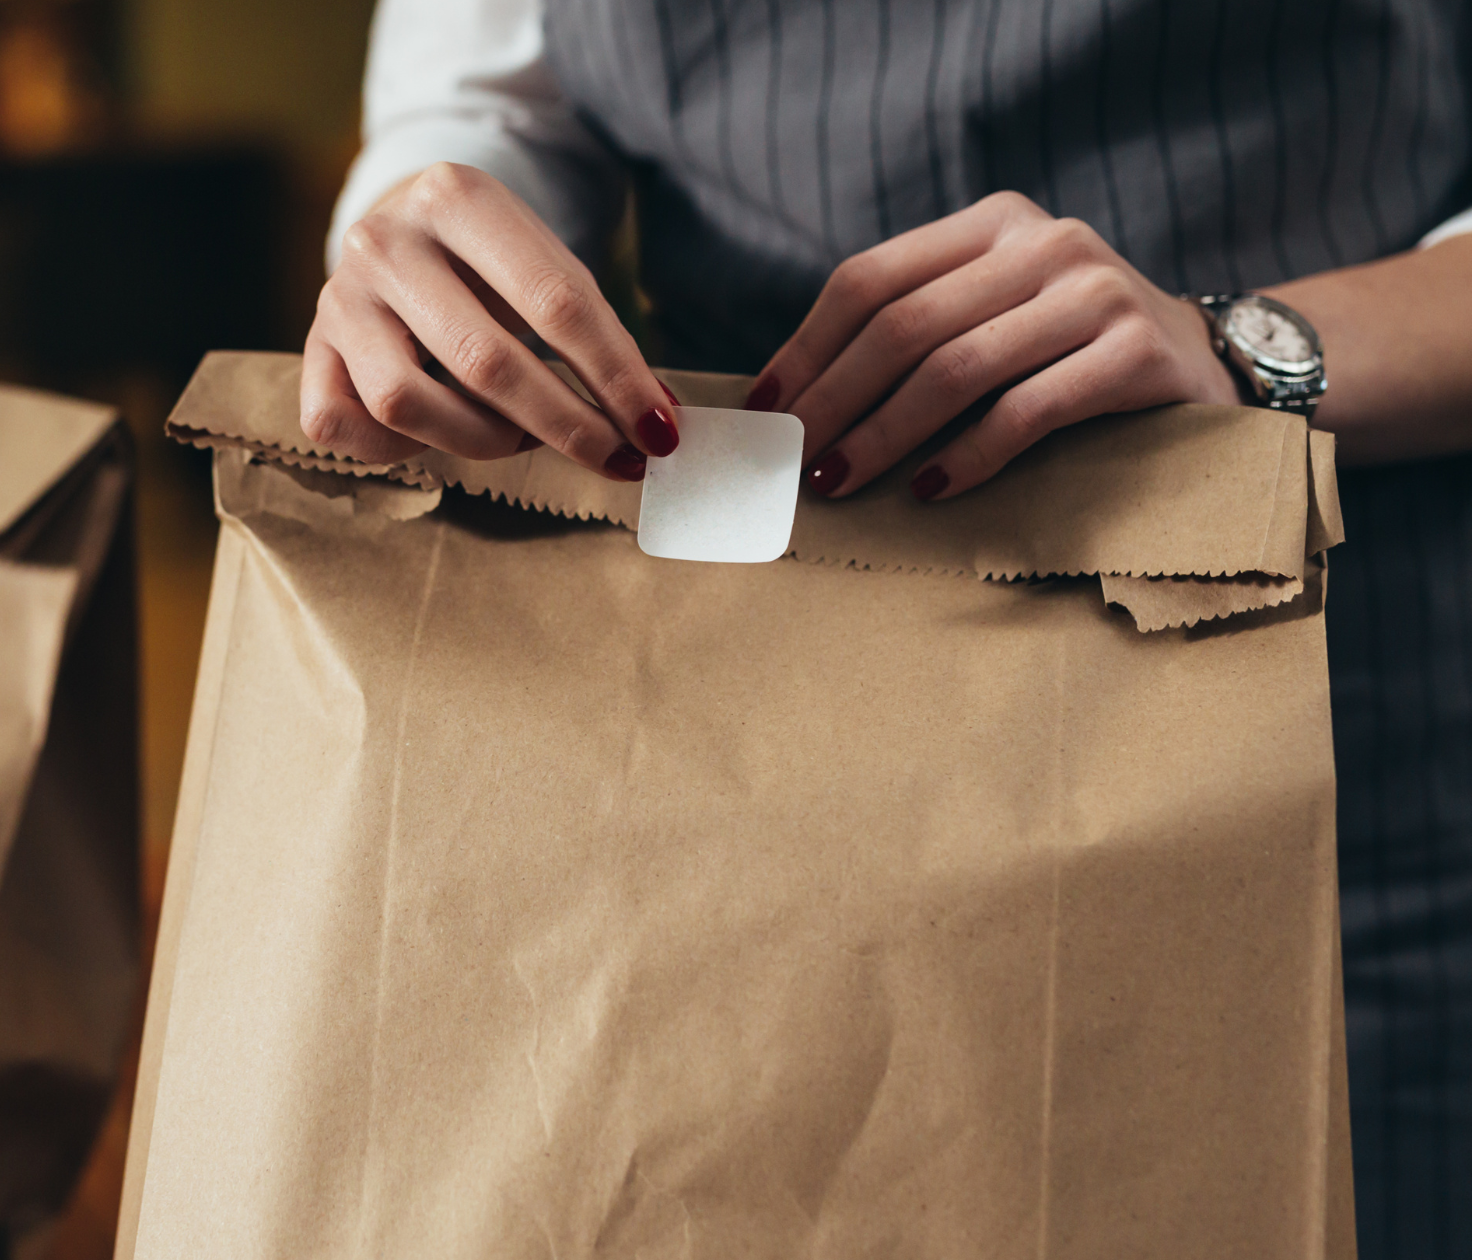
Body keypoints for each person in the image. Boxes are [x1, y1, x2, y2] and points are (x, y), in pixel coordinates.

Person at [307, 3, 1471, 1257]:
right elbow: (492, 100)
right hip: (721, 760)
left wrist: (1243, 347)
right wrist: (437, 249)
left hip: (1319, 760)